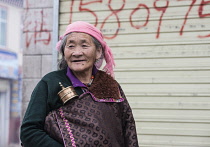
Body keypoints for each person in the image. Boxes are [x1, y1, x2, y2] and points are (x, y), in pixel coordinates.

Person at [20, 21, 139, 147]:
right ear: (64, 51)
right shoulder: (51, 83)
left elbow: (128, 128)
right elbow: (29, 131)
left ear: (98, 52)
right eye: (70, 46)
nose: (76, 52)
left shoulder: (110, 85)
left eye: (84, 45)